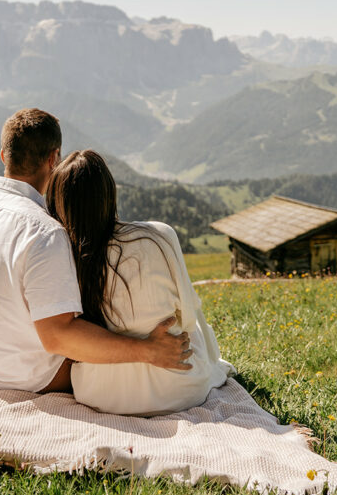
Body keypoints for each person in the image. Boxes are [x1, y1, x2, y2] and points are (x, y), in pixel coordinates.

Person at [0, 109, 192, 395]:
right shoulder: (44, 232)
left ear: (4, 156)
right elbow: (59, 337)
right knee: (127, 370)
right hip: (28, 377)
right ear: (53, 159)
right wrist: (148, 350)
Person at [45, 149, 235, 415]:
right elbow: (190, 317)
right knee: (195, 329)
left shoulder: (59, 255)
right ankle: (215, 365)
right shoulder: (157, 236)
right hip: (179, 387)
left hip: (102, 395)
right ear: (109, 195)